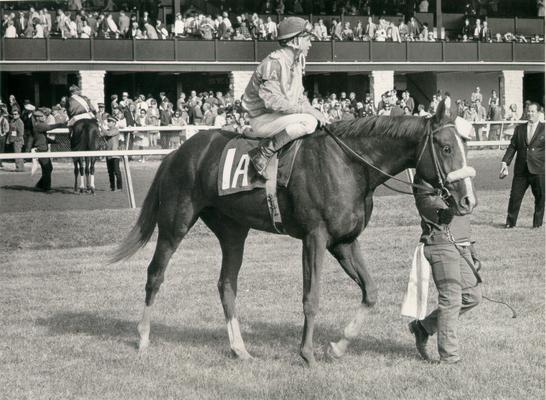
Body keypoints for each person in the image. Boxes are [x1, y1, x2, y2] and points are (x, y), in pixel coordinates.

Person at [408, 175, 482, 364]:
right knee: (451, 298)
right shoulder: (425, 178)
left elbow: (467, 209)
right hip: (440, 243)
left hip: (462, 243)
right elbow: (428, 206)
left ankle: (423, 327)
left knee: (472, 296)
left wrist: (471, 247)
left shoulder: (462, 173)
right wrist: (441, 210)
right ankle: (450, 358)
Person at [242, 17, 328, 177]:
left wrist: (313, 110)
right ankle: (264, 152)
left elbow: (299, 97)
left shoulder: (296, 62)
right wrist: (308, 112)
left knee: (318, 120)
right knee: (309, 122)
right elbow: (272, 102)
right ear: (295, 41)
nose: (310, 44)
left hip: (278, 117)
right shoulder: (274, 63)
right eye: (308, 39)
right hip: (262, 118)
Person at [499, 102, 545, 228]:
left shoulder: (544, 129)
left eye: (533, 111)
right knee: (515, 196)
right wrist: (505, 162)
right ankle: (510, 223)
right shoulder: (519, 129)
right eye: (528, 111)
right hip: (521, 171)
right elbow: (512, 146)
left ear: (539, 113)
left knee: (540, 197)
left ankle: (537, 224)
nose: (530, 113)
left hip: (539, 170)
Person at [31, 110, 64, 192]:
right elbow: (50, 127)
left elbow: (44, 138)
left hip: (42, 150)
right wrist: (60, 124)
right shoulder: (39, 125)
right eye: (42, 116)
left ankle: (40, 185)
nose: (43, 117)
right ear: (37, 118)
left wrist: (55, 142)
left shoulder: (38, 125)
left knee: (48, 168)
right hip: (40, 150)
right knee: (47, 168)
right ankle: (46, 188)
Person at [102, 115, 123, 191]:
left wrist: (101, 127)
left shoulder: (116, 130)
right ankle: (112, 187)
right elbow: (103, 134)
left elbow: (108, 134)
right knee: (110, 172)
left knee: (116, 171)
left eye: (110, 122)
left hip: (115, 154)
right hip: (108, 153)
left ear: (114, 123)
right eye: (108, 121)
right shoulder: (107, 130)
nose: (108, 123)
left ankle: (119, 187)